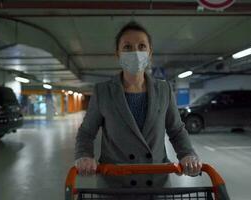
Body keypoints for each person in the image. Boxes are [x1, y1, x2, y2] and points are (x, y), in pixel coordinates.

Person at [74, 21, 202, 188]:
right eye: (127, 47)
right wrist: (84, 155)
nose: (135, 52)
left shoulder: (163, 90)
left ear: (149, 53)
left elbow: (176, 130)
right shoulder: (103, 92)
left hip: (156, 183)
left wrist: (187, 154)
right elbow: (86, 132)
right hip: (116, 185)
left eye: (142, 46)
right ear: (117, 54)